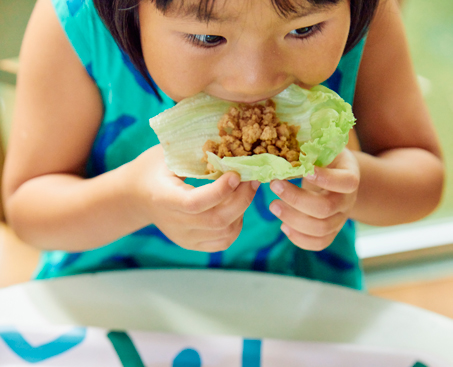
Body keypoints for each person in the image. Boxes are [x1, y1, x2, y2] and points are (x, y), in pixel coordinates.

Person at [1, 0, 444, 289]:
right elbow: (27, 211)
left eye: (305, 30)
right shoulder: (78, 24)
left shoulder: (368, 14)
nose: (254, 80)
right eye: (208, 38)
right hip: (109, 304)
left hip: (295, 305)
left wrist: (354, 186)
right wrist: (132, 199)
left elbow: (422, 177)